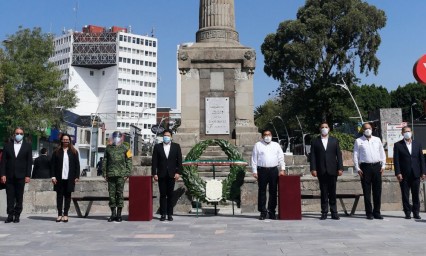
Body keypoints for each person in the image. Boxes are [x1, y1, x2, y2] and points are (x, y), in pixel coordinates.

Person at [310, 122, 343, 220]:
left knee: (332, 192)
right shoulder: (315, 141)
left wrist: (340, 168)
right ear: (320, 129)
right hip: (321, 170)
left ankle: (334, 212)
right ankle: (324, 212)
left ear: (329, 129)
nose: (324, 129)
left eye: (326, 127)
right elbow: (313, 156)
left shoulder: (334, 141)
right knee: (323, 192)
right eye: (322, 127)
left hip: (332, 169)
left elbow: (339, 155)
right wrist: (313, 168)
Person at [353, 122, 386, 220]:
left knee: (377, 191)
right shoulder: (358, 141)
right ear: (362, 130)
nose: (368, 130)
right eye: (366, 128)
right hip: (365, 167)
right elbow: (355, 155)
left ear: (372, 129)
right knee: (367, 191)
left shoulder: (377, 140)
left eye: (369, 128)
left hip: (376, 166)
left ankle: (377, 212)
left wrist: (383, 166)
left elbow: (382, 153)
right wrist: (357, 168)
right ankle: (369, 212)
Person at [251, 129, 286, 220]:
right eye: (265, 135)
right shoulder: (258, 145)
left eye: (269, 134)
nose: (267, 136)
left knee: (273, 191)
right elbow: (254, 159)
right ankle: (263, 212)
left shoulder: (276, 145)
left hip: (273, 170)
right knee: (262, 191)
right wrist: (254, 171)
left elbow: (281, 157)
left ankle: (272, 211)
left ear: (271, 135)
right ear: (262, 136)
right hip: (262, 170)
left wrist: (282, 169)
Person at [0, 127, 33, 223]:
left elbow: (29, 162)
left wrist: (28, 175)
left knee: (19, 196)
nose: (19, 135)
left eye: (21, 133)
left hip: (21, 175)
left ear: (23, 134)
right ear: (14, 134)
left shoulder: (28, 146)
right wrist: (2, 174)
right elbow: (3, 162)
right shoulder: (7, 146)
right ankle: (10, 215)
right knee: (9, 196)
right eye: (17, 133)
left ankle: (17, 215)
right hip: (9, 175)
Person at [393, 126, 426, 219]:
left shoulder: (417, 144)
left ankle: (416, 212)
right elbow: (396, 161)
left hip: (416, 173)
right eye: (405, 131)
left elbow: (421, 159)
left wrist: (423, 172)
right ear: (402, 133)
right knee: (405, 194)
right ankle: (407, 212)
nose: (407, 133)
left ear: (411, 132)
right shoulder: (398, 145)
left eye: (409, 131)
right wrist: (398, 173)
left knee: (416, 194)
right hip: (404, 174)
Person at [152, 129, 182, 221]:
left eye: (168, 135)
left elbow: (179, 161)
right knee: (162, 195)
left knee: (170, 195)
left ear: (171, 137)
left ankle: (169, 214)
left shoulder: (176, 147)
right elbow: (154, 161)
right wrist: (154, 173)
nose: (166, 137)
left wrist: (178, 172)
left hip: (171, 174)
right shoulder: (157, 147)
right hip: (161, 174)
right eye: (165, 135)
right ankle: (163, 214)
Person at [103, 131, 132, 222]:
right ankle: (113, 214)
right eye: (115, 136)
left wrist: (127, 173)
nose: (117, 138)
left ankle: (119, 214)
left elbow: (129, 161)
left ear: (121, 138)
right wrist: (104, 173)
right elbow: (105, 161)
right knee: (111, 195)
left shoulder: (126, 148)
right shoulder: (108, 148)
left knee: (119, 194)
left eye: (118, 136)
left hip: (121, 175)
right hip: (111, 174)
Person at [50, 134, 80, 223]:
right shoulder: (56, 152)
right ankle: (59, 214)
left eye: (67, 139)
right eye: (64, 139)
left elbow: (77, 165)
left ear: (69, 140)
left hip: (69, 178)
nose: (66, 141)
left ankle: (66, 215)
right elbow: (52, 165)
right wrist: (53, 176)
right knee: (59, 196)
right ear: (61, 140)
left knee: (67, 197)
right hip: (59, 178)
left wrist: (77, 176)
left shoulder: (74, 152)